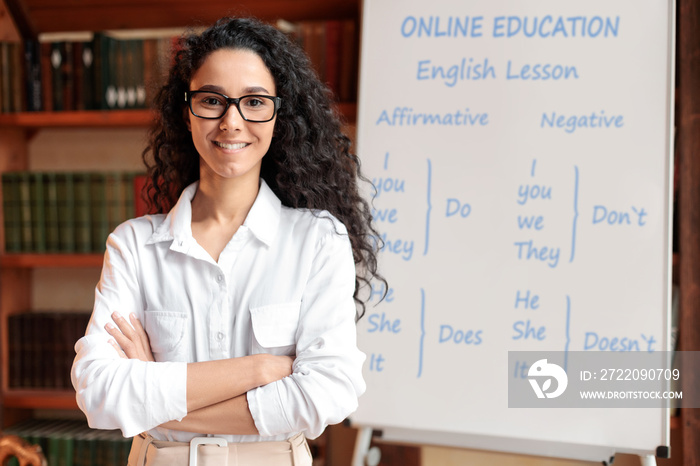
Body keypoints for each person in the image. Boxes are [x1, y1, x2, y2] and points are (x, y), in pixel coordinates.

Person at [71, 16, 383, 466]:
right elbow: (98, 393)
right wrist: (257, 370)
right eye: (212, 100)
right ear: (187, 111)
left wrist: (154, 402)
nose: (232, 122)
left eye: (254, 101)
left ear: (279, 114)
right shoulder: (134, 247)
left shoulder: (317, 240)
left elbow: (327, 394)